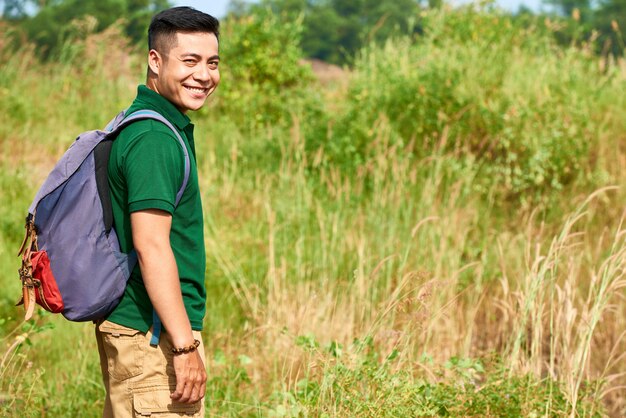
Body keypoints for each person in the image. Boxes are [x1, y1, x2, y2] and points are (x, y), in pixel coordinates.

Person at [94, 7, 220, 417]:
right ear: (155, 61)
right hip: (153, 338)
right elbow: (151, 247)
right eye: (190, 61)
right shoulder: (153, 138)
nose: (203, 75)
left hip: (147, 332)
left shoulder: (151, 123)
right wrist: (184, 347)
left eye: (212, 62)